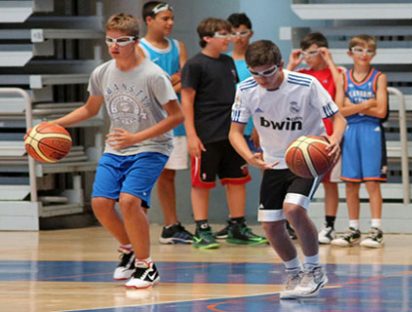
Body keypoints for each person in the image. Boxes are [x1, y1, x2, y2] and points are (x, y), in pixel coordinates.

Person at [49, 13, 183, 288]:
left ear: (135, 41)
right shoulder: (102, 72)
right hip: (117, 147)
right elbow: (90, 108)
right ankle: (128, 248)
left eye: (121, 40)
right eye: (110, 39)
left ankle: (146, 266)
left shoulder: (153, 75)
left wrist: (136, 136)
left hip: (151, 146)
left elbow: (176, 117)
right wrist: (52, 124)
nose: (114, 45)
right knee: (100, 203)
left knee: (129, 201)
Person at [229, 40, 346, 299]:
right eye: (255, 73)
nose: (262, 79)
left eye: (268, 72)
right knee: (270, 226)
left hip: (307, 158)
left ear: (280, 66)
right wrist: (250, 156)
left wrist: (334, 140)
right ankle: (294, 271)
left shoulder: (307, 85)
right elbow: (235, 132)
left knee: (293, 209)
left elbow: (339, 119)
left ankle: (314, 269)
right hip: (273, 162)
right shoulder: (245, 89)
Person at [181, 18, 266, 249]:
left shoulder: (228, 61)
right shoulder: (195, 65)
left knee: (237, 180)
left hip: (231, 133)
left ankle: (237, 226)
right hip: (206, 134)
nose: (228, 39)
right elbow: (186, 100)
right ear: (207, 38)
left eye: (229, 34)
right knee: (202, 183)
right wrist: (191, 135)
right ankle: (201, 228)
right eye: (223, 34)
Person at [139, 1, 193, 245]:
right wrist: (170, 82)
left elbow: (187, 79)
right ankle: (138, 222)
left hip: (174, 119)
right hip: (149, 123)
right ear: (149, 20)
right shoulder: (139, 48)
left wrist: (169, 83)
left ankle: (171, 225)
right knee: (148, 174)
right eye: (165, 18)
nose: (170, 23)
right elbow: (144, 85)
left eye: (172, 18)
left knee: (168, 174)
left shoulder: (177, 46)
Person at [330, 34, 388, 249]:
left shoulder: (379, 77)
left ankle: (376, 229)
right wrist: (367, 103)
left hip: (371, 131)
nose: (364, 55)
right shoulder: (343, 77)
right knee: (351, 183)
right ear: (350, 53)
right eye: (359, 50)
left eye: (369, 51)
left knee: (372, 182)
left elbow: (381, 111)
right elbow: (338, 110)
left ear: (374, 54)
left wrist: (352, 105)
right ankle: (353, 228)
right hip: (350, 130)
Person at [286, 32, 344, 244]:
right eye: (305, 53)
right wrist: (292, 64)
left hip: (329, 138)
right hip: (304, 138)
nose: (308, 57)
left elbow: (341, 87)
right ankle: (289, 223)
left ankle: (329, 226)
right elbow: (282, 84)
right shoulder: (302, 74)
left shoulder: (337, 72)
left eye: (313, 53)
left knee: (330, 183)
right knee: (294, 180)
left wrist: (329, 60)